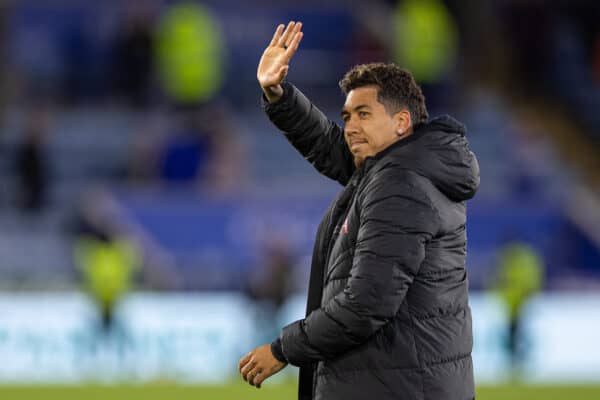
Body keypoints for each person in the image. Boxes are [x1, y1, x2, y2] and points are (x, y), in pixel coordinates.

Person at [239, 22, 480, 400]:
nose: (350, 126)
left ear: (402, 123)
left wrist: (282, 349)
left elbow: (367, 301)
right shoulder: (400, 170)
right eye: (348, 116)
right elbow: (331, 147)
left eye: (363, 114)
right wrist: (277, 93)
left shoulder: (401, 185)